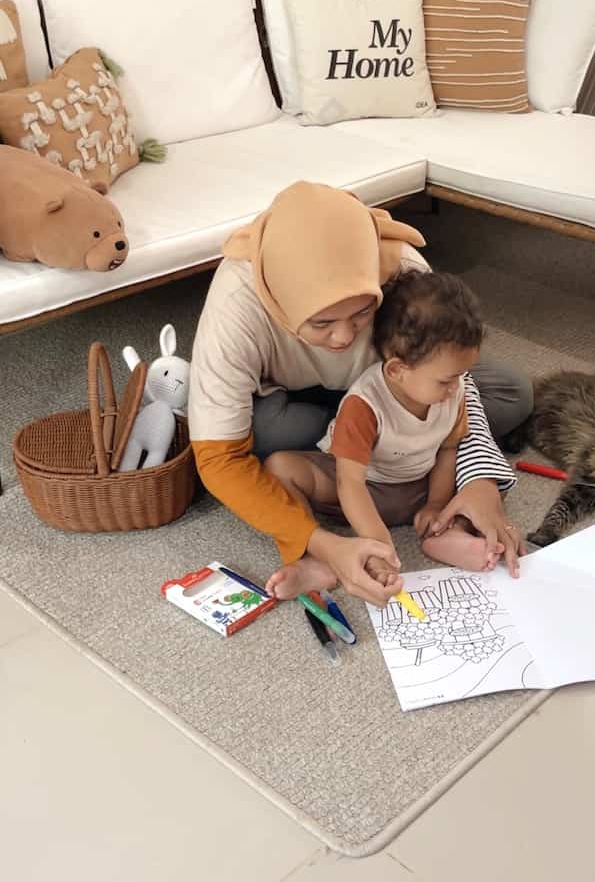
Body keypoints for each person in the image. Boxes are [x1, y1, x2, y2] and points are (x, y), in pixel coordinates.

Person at [189, 182, 531, 608]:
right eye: (321, 323)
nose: (345, 336)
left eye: (363, 312)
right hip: (299, 407)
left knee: (512, 393)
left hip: (394, 398)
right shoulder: (236, 306)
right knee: (261, 440)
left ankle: (406, 467)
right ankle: (364, 450)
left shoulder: (405, 275)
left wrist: (480, 480)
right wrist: (322, 544)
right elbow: (218, 460)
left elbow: (453, 385)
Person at [264, 270, 514, 601]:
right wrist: (377, 542)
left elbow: (448, 450)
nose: (457, 387)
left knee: (478, 487)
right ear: (397, 370)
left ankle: (448, 536)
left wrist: (438, 505)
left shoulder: (455, 389)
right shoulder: (364, 404)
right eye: (445, 380)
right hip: (360, 489)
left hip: (418, 486)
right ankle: (312, 561)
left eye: (461, 375)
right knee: (279, 468)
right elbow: (348, 483)